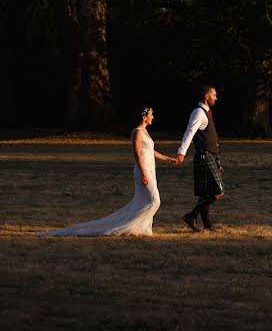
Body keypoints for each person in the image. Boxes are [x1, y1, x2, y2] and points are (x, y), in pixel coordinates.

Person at [38, 107, 178, 237]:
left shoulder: (146, 132)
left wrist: (168, 159)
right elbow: (137, 153)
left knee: (143, 201)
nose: (153, 117)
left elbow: (150, 151)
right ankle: (128, 226)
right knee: (155, 201)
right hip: (143, 170)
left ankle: (141, 228)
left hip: (150, 169)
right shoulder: (137, 132)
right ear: (144, 116)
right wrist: (143, 172)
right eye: (151, 115)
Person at [176, 85, 225, 232]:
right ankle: (192, 215)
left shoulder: (207, 113)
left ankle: (207, 225)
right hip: (204, 157)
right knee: (218, 192)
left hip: (210, 156)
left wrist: (218, 162)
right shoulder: (199, 112)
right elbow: (189, 132)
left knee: (207, 193)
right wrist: (181, 152)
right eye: (214, 95)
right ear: (206, 96)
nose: (216, 98)